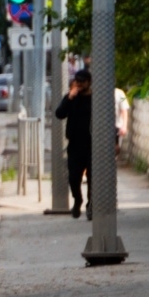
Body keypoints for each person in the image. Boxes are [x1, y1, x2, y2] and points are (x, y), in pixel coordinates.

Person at [54, 69, 93, 219]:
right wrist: (69, 97)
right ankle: (78, 199)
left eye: (82, 82)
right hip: (75, 144)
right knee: (73, 177)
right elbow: (59, 114)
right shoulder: (72, 98)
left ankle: (91, 205)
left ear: (89, 82)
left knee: (92, 178)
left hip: (91, 144)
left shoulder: (94, 99)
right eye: (77, 81)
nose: (79, 84)